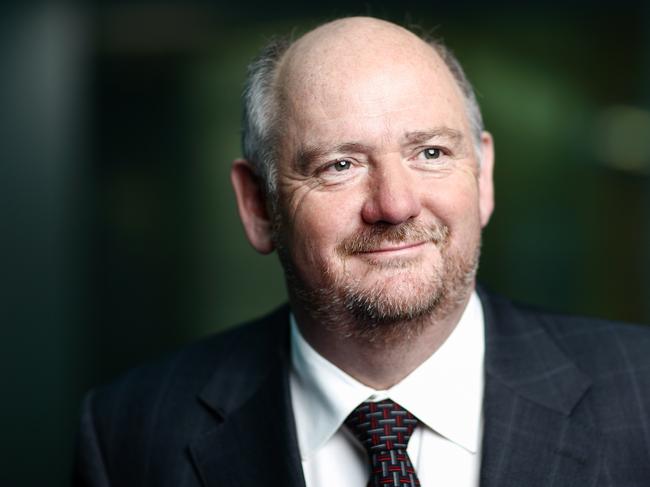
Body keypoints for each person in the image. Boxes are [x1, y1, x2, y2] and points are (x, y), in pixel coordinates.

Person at [74, 16, 650, 487]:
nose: (395, 205)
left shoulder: (640, 394)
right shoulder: (130, 432)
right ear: (257, 205)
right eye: (340, 165)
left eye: (430, 153)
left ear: (485, 176)